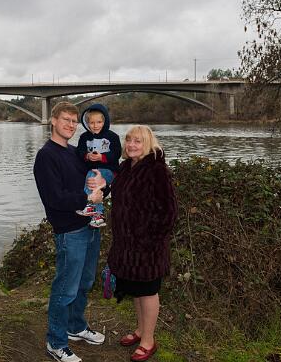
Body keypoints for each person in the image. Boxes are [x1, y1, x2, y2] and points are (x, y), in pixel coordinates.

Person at [33, 101, 107, 362]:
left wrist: (102, 185)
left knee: (85, 283)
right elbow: (54, 198)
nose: (71, 125)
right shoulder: (46, 156)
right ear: (53, 120)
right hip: (69, 232)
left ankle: (75, 326)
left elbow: (94, 183)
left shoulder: (75, 153)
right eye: (66, 119)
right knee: (65, 288)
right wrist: (88, 199)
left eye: (74, 121)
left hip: (90, 226)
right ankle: (56, 342)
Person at [107, 125, 178, 362]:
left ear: (147, 143)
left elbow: (168, 212)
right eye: (129, 141)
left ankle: (148, 340)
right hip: (126, 246)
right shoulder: (126, 167)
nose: (131, 145)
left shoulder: (157, 170)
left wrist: (150, 241)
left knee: (148, 293)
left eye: (137, 141)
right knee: (136, 291)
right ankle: (140, 330)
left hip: (148, 248)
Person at [76, 103, 121, 228]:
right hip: (93, 171)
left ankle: (91, 206)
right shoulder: (84, 137)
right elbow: (79, 152)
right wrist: (87, 156)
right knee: (91, 180)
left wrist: (102, 157)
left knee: (91, 177)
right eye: (92, 123)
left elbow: (117, 153)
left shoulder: (112, 137)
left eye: (99, 122)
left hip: (110, 171)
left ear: (104, 121)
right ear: (87, 123)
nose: (95, 125)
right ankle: (98, 216)